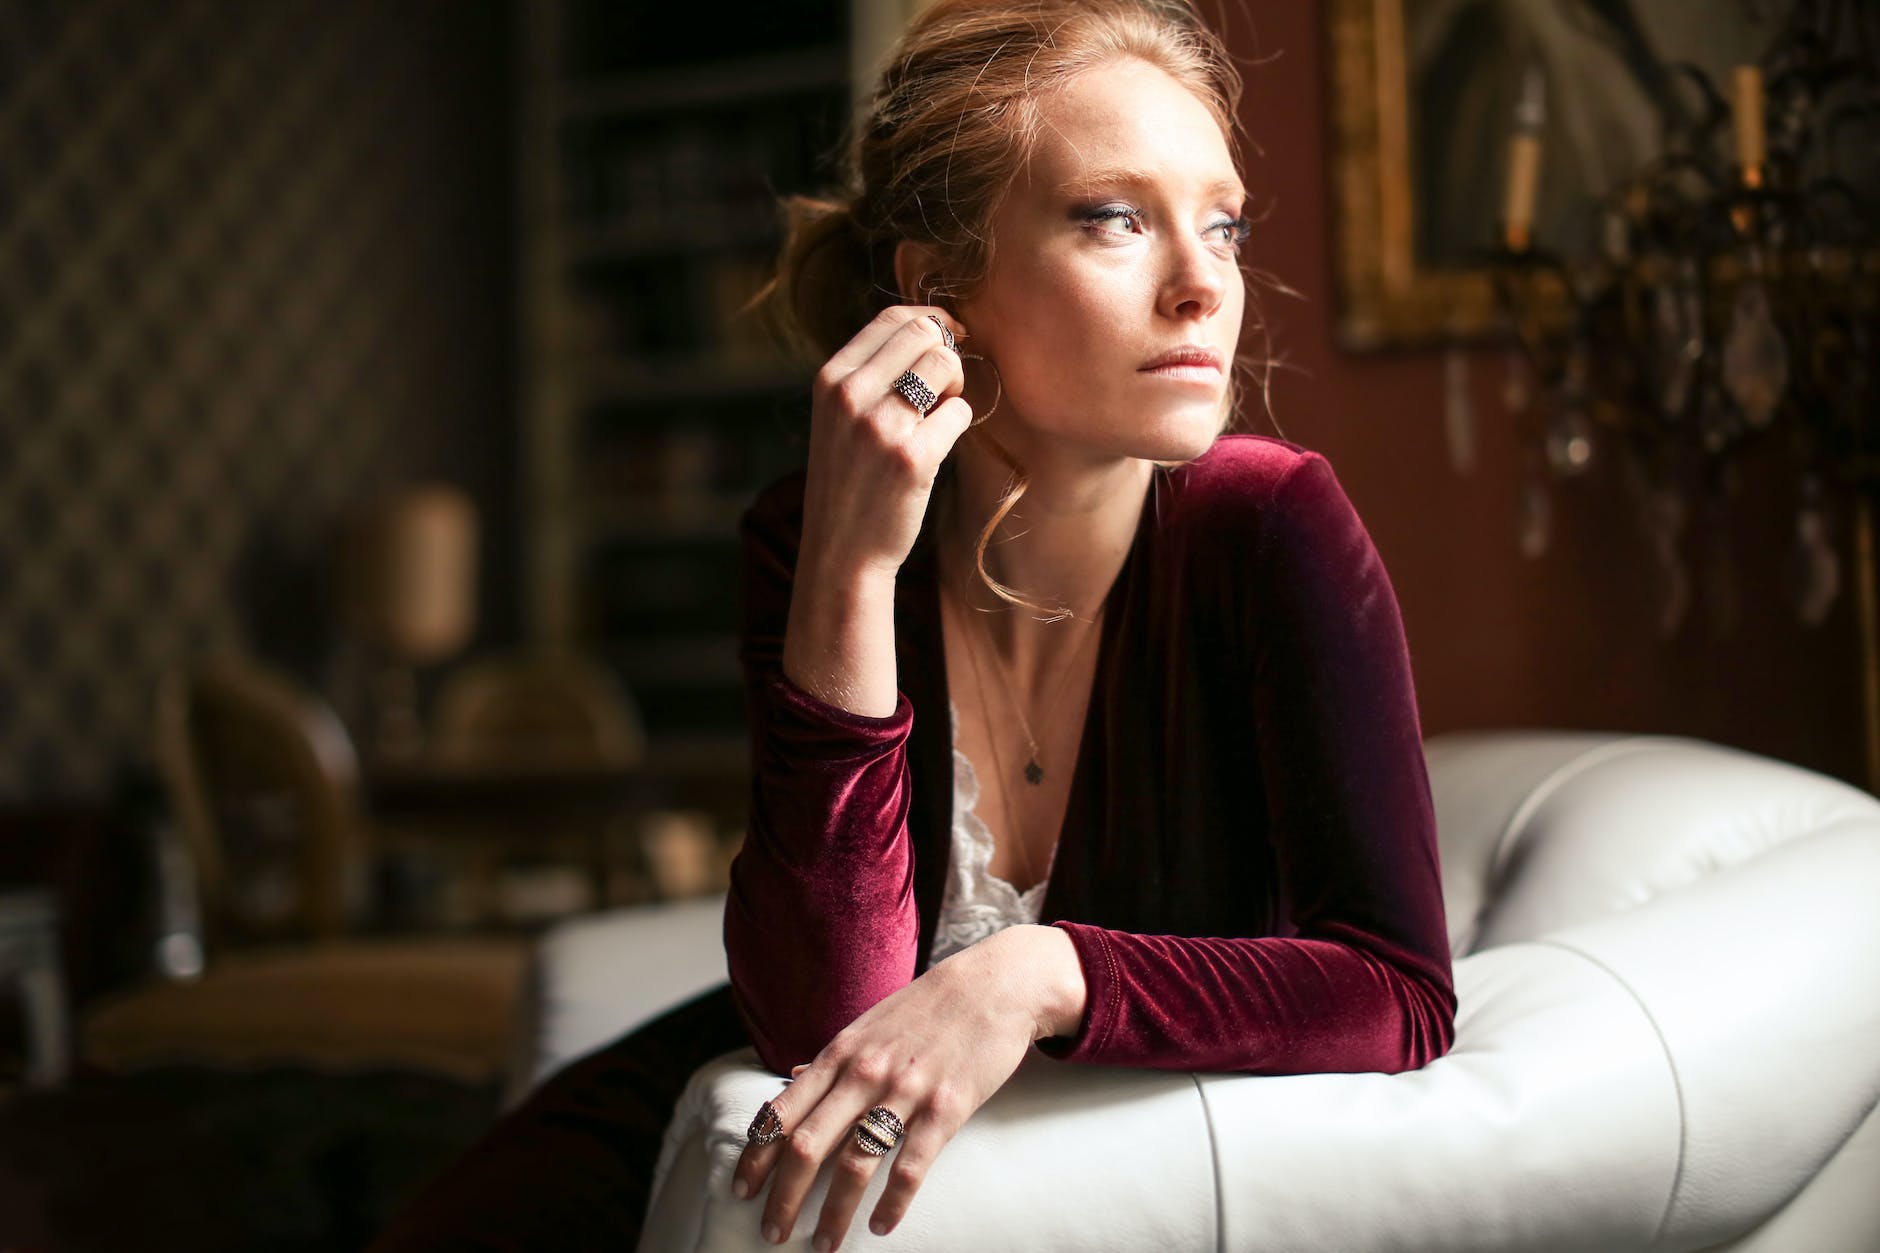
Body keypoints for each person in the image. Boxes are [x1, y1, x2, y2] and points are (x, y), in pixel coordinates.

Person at [369, 2, 1455, 1250]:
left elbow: (1399, 992)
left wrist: (1040, 971)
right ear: (941, 287)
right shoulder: (807, 534)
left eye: (1223, 222)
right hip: (693, 1118)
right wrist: (851, 558)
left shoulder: (1271, 527)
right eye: (1115, 217)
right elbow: (817, 1015)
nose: (1204, 283)